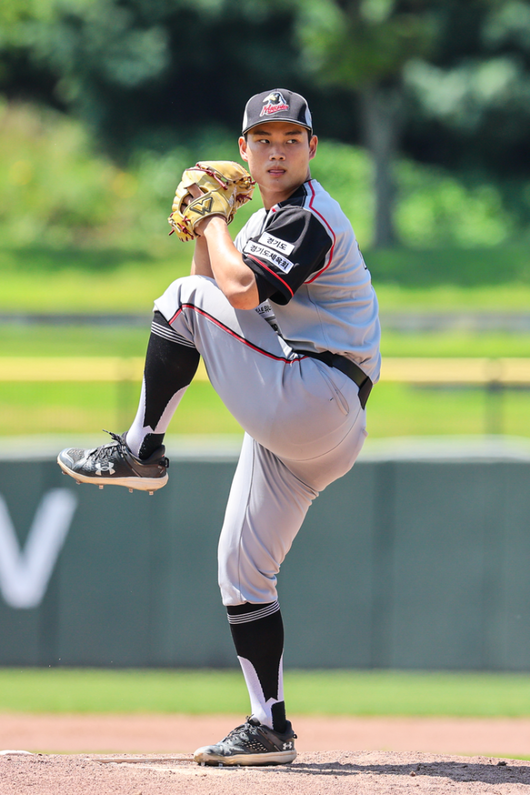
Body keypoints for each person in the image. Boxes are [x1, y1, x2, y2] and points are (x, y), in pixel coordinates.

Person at [58, 88, 381, 766]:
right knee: (242, 572)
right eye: (262, 139)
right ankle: (270, 725)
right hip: (300, 421)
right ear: (244, 150)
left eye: (290, 138)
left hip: (318, 394)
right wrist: (214, 227)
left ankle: (142, 449)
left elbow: (226, 295)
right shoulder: (262, 223)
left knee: (180, 298)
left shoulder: (307, 217)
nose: (275, 149)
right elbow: (214, 294)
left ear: (311, 150)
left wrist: (211, 221)